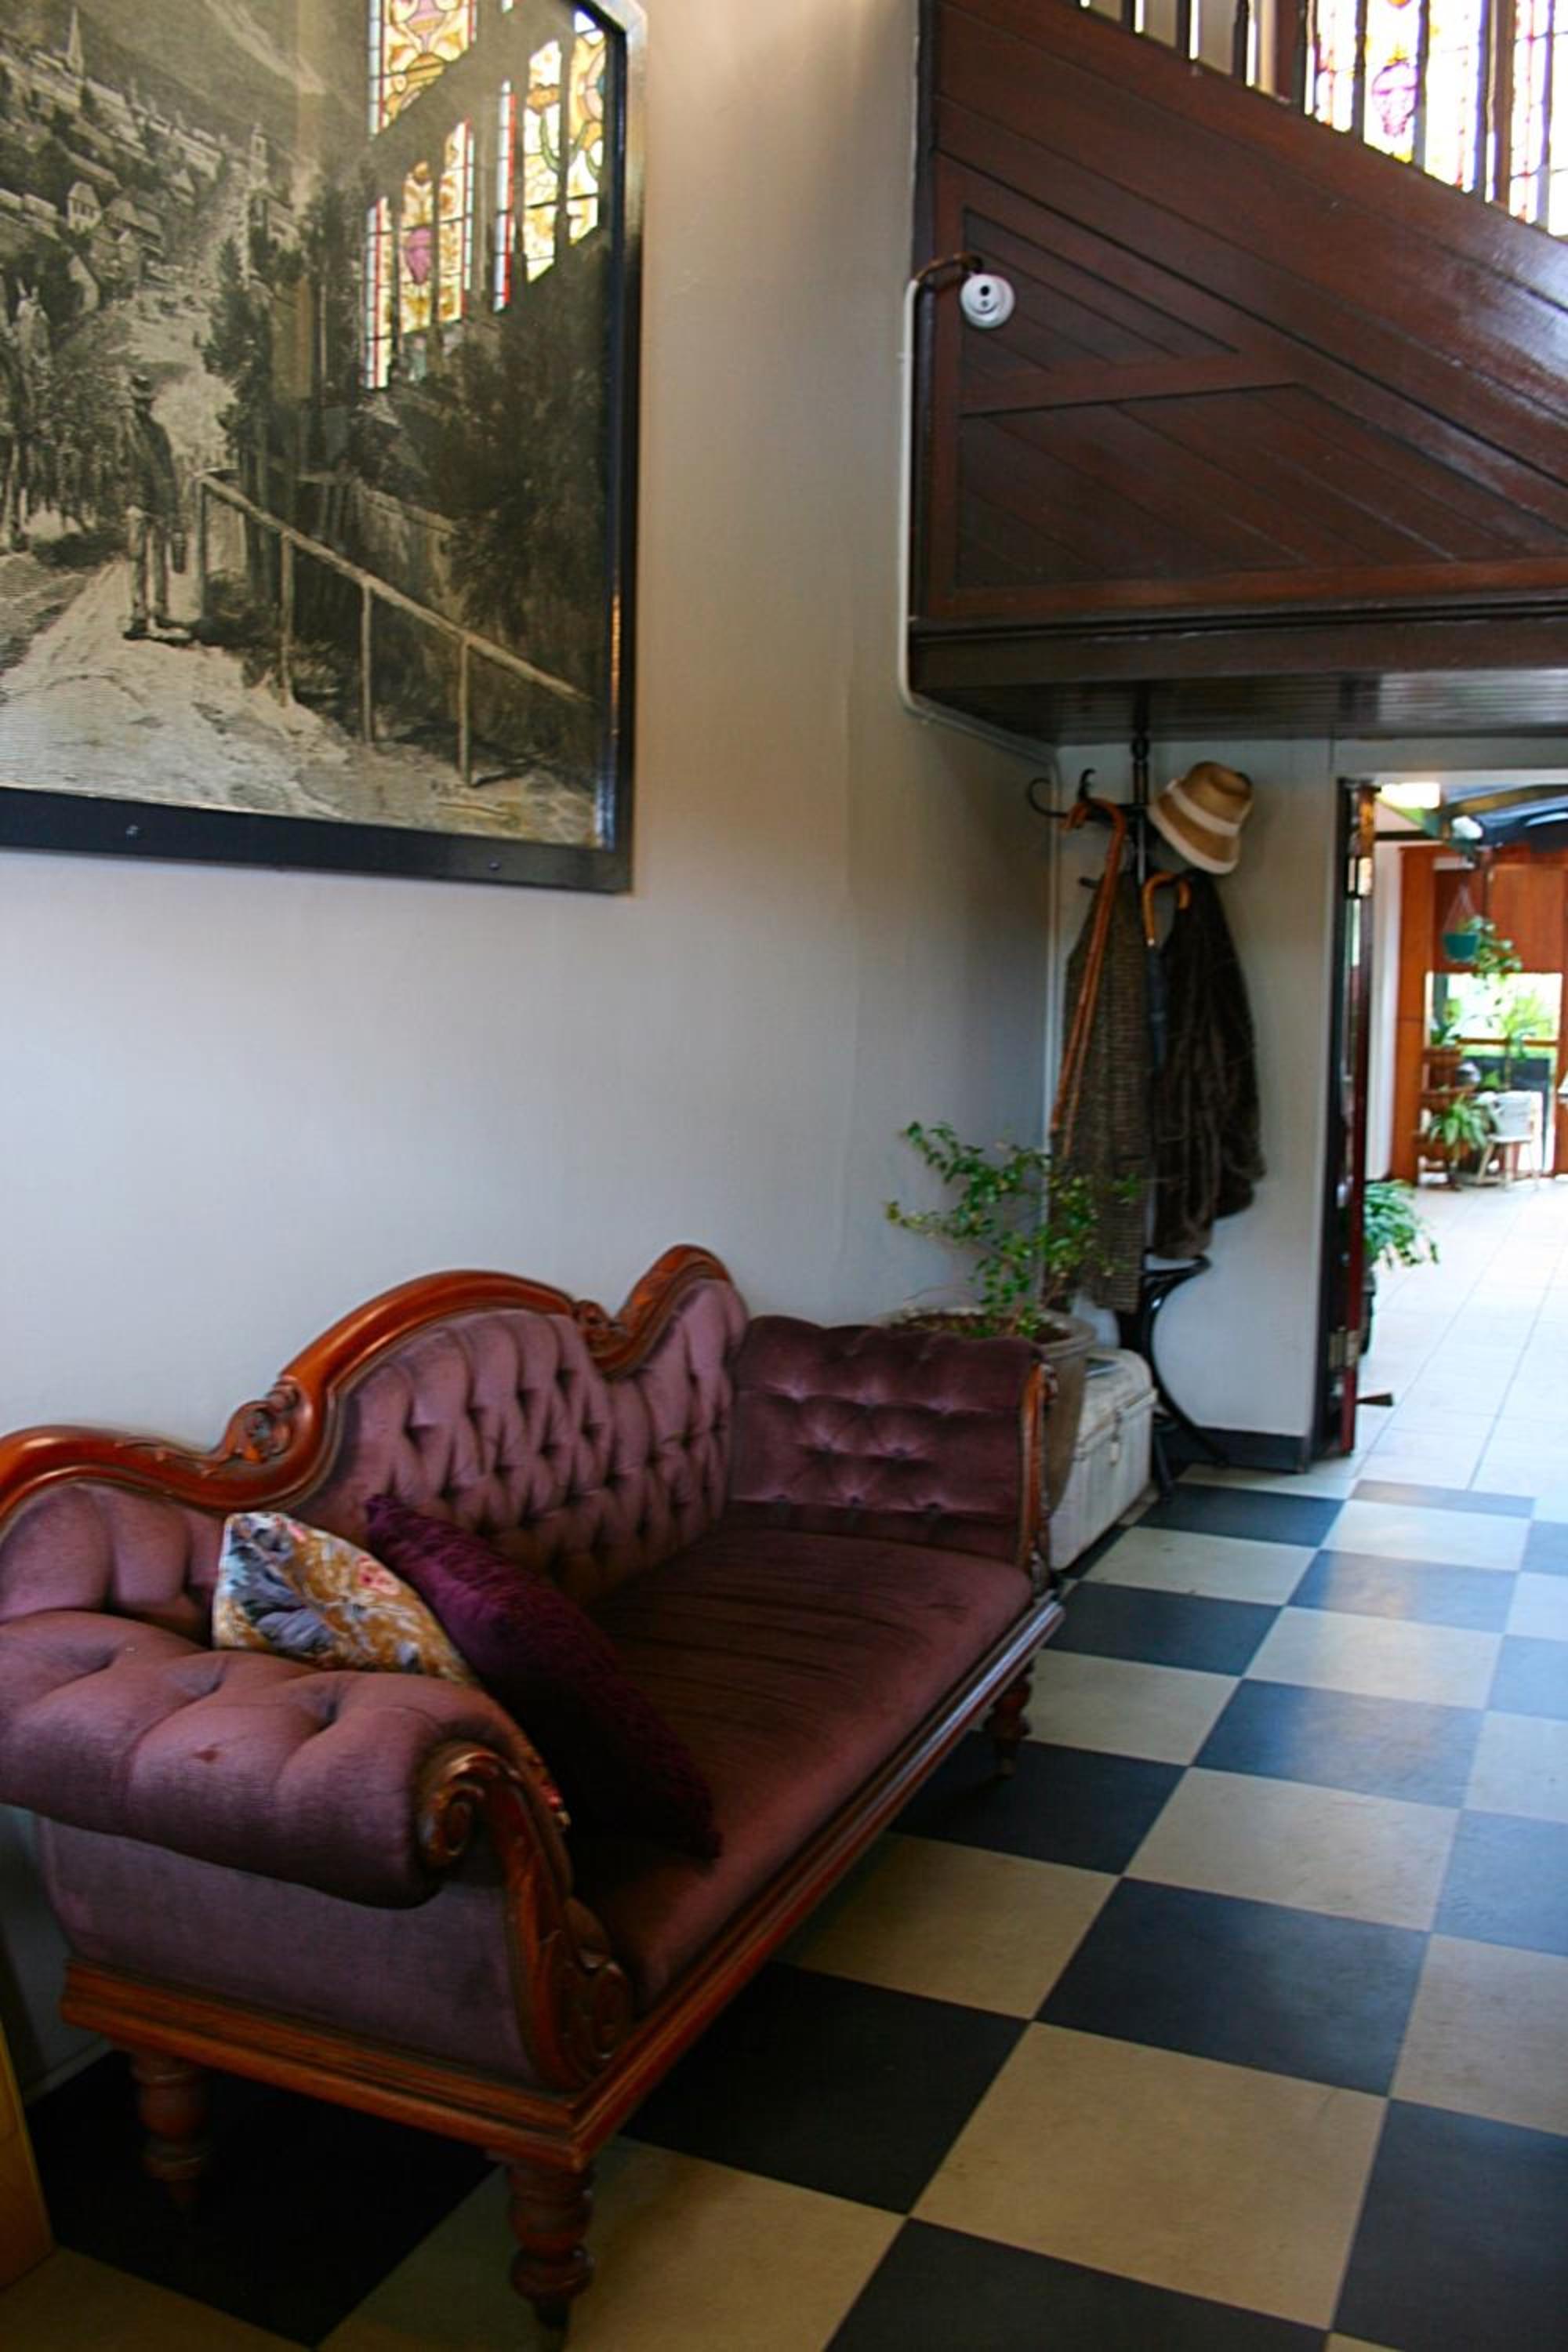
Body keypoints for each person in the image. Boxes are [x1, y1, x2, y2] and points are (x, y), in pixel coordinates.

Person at [122, 372, 183, 641]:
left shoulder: (159, 433)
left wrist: (172, 505)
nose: (144, 406)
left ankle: (160, 610)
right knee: (137, 559)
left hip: (158, 503)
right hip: (137, 501)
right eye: (139, 402)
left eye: (147, 402)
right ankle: (139, 615)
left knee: (159, 559)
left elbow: (169, 471)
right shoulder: (126, 430)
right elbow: (119, 464)